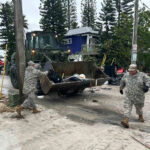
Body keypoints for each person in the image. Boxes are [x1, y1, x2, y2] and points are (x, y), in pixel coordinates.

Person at [120, 64, 150, 128]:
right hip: (129, 95)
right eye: (130, 70)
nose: (130, 72)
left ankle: (140, 116)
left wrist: (147, 86)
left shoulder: (142, 75)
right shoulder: (126, 75)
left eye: (132, 70)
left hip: (139, 95)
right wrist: (121, 88)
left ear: (136, 69)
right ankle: (126, 120)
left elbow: (148, 80)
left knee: (139, 107)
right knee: (127, 107)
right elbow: (122, 81)